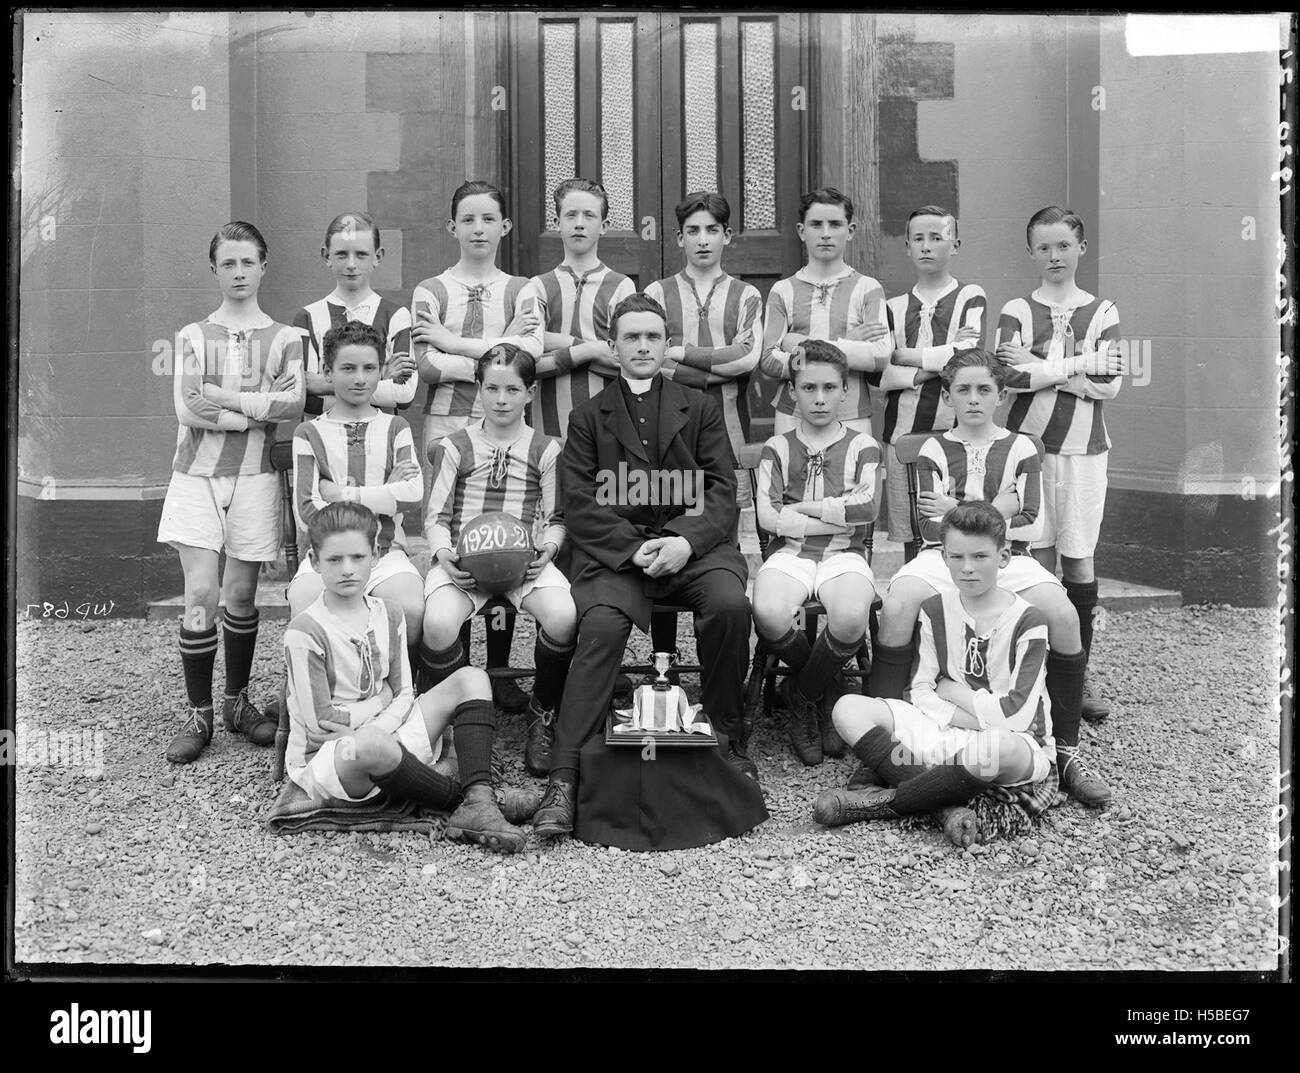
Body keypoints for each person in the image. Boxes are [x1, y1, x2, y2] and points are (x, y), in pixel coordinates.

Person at [531, 293, 755, 839]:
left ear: (666, 342)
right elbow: (580, 502)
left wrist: (684, 539)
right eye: (631, 337)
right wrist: (631, 550)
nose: (643, 346)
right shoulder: (587, 417)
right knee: (602, 626)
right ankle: (564, 776)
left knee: (728, 606)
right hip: (617, 552)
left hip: (692, 549)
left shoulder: (698, 406)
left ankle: (727, 739)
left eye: (653, 336)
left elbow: (722, 490)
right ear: (613, 346)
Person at [872, 349, 1112, 807]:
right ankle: (888, 744)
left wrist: (955, 510)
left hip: (1009, 556)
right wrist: (996, 506)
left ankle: (1065, 753)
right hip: (941, 555)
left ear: (1001, 396)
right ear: (947, 396)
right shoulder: (932, 448)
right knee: (899, 602)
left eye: (985, 389)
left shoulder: (1022, 447)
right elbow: (928, 528)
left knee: (1062, 613)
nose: (974, 399)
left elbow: (1030, 521)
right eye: (963, 389)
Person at [284, 502, 525, 853]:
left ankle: (479, 799)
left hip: (388, 733)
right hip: (334, 756)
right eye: (335, 560)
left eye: (358, 557)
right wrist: (380, 706)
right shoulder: (305, 631)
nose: (348, 570)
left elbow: (405, 693)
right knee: (371, 744)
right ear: (314, 560)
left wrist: (386, 720)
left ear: (376, 555)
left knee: (473, 678)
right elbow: (322, 722)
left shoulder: (390, 613)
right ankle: (470, 802)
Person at [814, 501, 1057, 844]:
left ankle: (881, 804)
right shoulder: (935, 609)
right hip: (945, 732)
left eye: (980, 557)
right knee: (848, 709)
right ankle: (942, 804)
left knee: (994, 747)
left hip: (1013, 747)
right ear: (944, 557)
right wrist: (968, 709)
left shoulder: (1029, 621)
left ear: (1003, 557)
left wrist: (956, 693)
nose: (967, 568)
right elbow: (920, 692)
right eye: (956, 557)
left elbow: (1016, 717)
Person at [158, 221, 305, 764]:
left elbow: (293, 407)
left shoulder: (288, 338)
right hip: (195, 476)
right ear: (214, 269)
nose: (239, 273)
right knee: (200, 594)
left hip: (255, 479)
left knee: (241, 595)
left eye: (248, 262)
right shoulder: (192, 335)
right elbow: (186, 407)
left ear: (263, 266)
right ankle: (199, 714)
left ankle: (237, 702)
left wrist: (223, 399)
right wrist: (251, 413)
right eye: (228, 264)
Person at [410, 180, 545, 713]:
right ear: (453, 227)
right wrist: (495, 354)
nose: (479, 229)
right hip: (446, 427)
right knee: (459, 540)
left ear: (504, 226)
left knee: (503, 533)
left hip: (509, 431)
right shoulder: (430, 290)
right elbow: (427, 366)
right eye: (468, 219)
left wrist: (455, 344)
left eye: (489, 219)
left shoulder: (524, 289)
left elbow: (529, 354)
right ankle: (460, 672)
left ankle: (500, 669)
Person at [421, 344, 576, 777]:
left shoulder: (546, 449)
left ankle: (542, 714)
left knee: (564, 615)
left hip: (522, 564)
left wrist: (549, 549)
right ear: (479, 388)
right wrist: (444, 554)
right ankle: (455, 717)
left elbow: (556, 518)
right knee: (436, 623)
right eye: (491, 388)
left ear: (530, 391)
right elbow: (435, 517)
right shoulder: (454, 446)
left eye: (512, 389)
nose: (501, 399)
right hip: (465, 564)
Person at [995, 205, 1122, 727]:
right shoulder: (1017, 310)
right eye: (1044, 247)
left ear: (1081, 249)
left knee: (1078, 558)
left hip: (1085, 451)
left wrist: (1044, 369)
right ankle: (1036, 671)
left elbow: (1111, 384)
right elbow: (1011, 380)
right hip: (1029, 448)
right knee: (1035, 560)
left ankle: (1077, 672)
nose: (1054, 256)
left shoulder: (1104, 310)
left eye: (1064, 245)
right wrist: (1079, 366)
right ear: (1031, 252)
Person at [643, 191, 764, 670]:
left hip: (729, 435)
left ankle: (719, 657)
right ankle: (663, 660)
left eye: (712, 229)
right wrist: (712, 365)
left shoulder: (747, 294)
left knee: (721, 540)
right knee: (666, 529)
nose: (702, 239)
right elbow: (652, 364)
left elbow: (749, 358)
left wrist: (680, 354)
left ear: (727, 236)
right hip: (669, 435)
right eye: (693, 230)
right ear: (679, 238)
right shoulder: (656, 293)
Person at [753, 340, 880, 765]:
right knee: (768, 611)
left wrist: (804, 508)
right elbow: (770, 518)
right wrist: (836, 514)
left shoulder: (864, 446)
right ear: (792, 391)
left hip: (845, 554)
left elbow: (867, 509)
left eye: (829, 387)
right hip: (790, 554)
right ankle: (829, 689)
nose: (820, 398)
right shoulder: (777, 447)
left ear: (846, 390)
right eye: (809, 388)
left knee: (849, 616)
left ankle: (802, 691)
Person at [289, 320, 425, 681]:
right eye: (347, 368)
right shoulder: (309, 433)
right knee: (304, 603)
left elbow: (411, 497)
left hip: (385, 555)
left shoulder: (396, 428)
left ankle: (396, 688)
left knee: (410, 606)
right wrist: (383, 495)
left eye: (369, 368)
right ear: (327, 371)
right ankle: (318, 697)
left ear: (381, 371)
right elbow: (306, 511)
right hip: (327, 558)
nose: (359, 378)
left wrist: (343, 496)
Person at [875, 205, 986, 558]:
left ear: (954, 244)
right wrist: (940, 361)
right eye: (918, 239)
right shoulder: (891, 307)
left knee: (955, 525)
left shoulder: (970, 296)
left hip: (954, 432)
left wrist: (905, 356)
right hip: (902, 433)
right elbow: (882, 374)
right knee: (911, 527)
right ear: (907, 246)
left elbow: (968, 355)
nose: (926, 246)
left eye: (936, 238)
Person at [758, 187, 891, 437]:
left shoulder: (868, 288)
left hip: (851, 413)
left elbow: (880, 356)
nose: (826, 234)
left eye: (835, 224)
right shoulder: (782, 290)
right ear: (801, 231)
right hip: (793, 414)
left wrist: (805, 349)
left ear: (850, 231)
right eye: (816, 225)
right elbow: (769, 360)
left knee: (853, 476)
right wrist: (848, 345)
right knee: (791, 477)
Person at [526, 178, 635, 439]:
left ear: (604, 226)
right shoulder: (537, 287)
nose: (579, 223)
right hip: (546, 430)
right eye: (571, 215)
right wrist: (593, 348)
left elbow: (626, 362)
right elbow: (527, 364)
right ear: (557, 223)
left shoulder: (621, 286)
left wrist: (556, 343)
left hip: (607, 428)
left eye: (589, 215)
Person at [293, 210, 416, 418]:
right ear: (326, 256)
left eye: (361, 254)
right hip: (323, 441)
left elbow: (403, 394)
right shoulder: (307, 317)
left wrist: (323, 384)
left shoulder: (396, 315)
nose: (351, 264)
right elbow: (307, 400)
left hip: (380, 441)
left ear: (377, 256)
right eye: (342, 254)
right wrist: (381, 376)